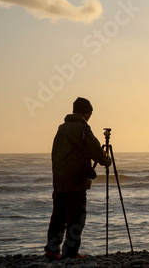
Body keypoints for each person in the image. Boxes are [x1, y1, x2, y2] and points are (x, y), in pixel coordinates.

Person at [44, 97, 111, 260]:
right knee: (76, 217)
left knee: (58, 216)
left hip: (60, 181)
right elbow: (95, 150)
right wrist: (107, 159)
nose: (90, 116)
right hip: (75, 181)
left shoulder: (62, 128)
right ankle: (71, 252)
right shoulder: (81, 128)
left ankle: (52, 250)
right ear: (86, 112)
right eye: (90, 113)